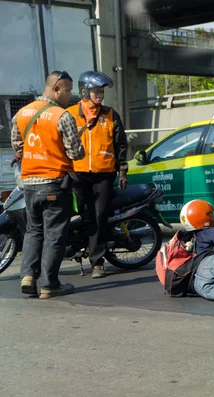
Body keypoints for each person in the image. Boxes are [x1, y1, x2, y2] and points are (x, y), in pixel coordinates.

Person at [11, 71, 85, 298]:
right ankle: (49, 284)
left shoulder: (21, 114)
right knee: (54, 235)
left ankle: (28, 277)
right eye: (68, 90)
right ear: (56, 89)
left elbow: (17, 145)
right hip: (54, 183)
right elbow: (76, 153)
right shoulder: (62, 116)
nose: (70, 95)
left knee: (34, 231)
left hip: (29, 185)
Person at [66, 71, 128, 278]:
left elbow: (120, 145)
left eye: (101, 91)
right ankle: (81, 248)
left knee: (100, 216)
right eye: (95, 91)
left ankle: (97, 262)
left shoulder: (111, 114)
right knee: (84, 214)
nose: (100, 95)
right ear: (84, 92)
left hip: (104, 174)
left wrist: (122, 171)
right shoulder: (70, 115)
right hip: (78, 174)